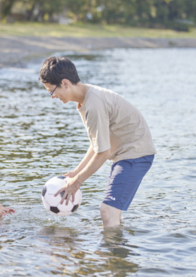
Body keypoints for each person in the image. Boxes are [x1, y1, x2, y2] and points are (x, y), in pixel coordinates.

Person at [39, 56, 156, 228]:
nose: (52, 96)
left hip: (135, 155)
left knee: (107, 211)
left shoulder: (93, 104)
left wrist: (77, 182)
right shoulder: (86, 99)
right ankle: (114, 249)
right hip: (129, 154)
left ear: (65, 83)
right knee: (112, 212)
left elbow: (103, 152)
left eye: (51, 91)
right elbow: (97, 144)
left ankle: (112, 253)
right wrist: (76, 172)